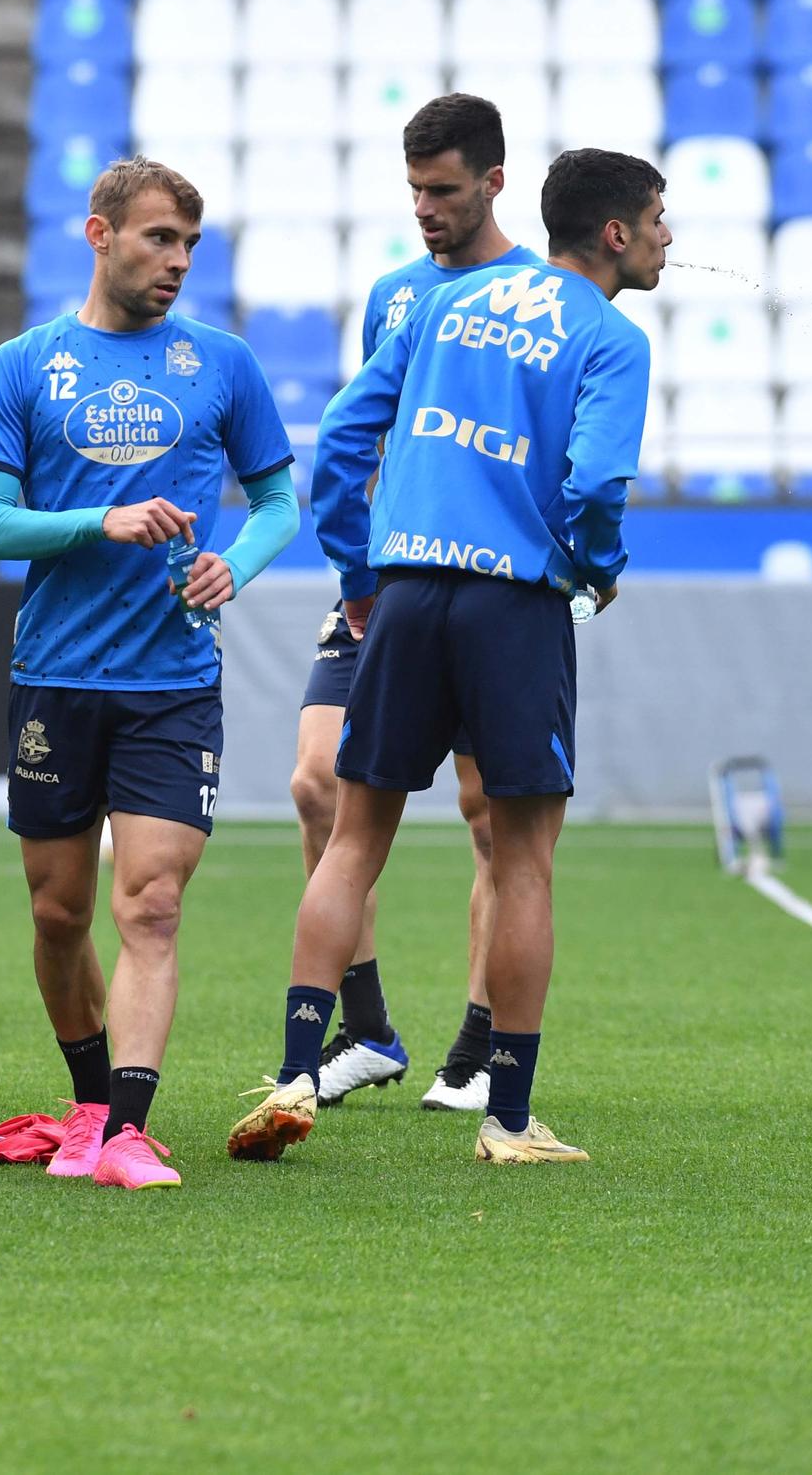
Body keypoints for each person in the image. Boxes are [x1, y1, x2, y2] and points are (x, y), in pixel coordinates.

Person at [229, 148, 667, 1166]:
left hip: (408, 590)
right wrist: (594, 567)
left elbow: (339, 436)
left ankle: (293, 1072)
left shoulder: (444, 302)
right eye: (656, 219)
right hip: (512, 606)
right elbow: (596, 482)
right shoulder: (608, 336)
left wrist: (359, 575)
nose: (664, 237)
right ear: (612, 233)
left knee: (351, 837)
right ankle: (505, 1121)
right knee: (520, 862)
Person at [0, 156, 299, 1189]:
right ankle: (90, 1100)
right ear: (99, 235)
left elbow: (278, 502)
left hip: (171, 680)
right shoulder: (24, 365)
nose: (177, 261)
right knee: (58, 913)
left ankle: (127, 1131)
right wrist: (93, 520)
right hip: (54, 675)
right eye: (158, 238)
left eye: (190, 244)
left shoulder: (222, 364)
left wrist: (228, 565)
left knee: (148, 904)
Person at [293, 93, 548, 1113]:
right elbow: (361, 437)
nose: (425, 210)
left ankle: (478, 1039)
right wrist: (357, 578)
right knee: (319, 784)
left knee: (494, 820)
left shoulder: (540, 295)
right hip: (384, 582)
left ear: (492, 180)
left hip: (484, 585)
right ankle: (367, 1031)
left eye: (441, 191)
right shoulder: (395, 296)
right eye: (412, 192)